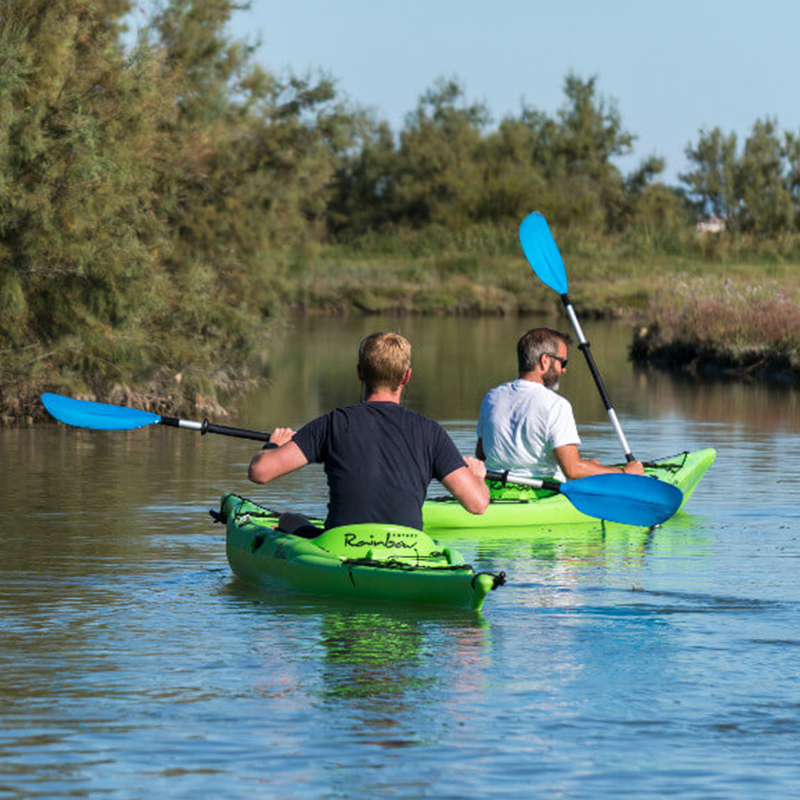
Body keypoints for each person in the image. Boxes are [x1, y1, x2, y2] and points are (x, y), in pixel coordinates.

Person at [249, 331, 489, 531]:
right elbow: (478, 504)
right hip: (408, 550)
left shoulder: (332, 424)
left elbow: (260, 472)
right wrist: (477, 477)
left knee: (289, 522)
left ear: (359, 373)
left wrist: (274, 445)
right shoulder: (432, 432)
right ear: (406, 377)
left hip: (341, 547)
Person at [476, 327, 644, 482]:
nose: (564, 370)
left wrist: (594, 468)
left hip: (493, 491)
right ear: (545, 361)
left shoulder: (492, 397)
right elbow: (572, 470)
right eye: (563, 362)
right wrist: (624, 472)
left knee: (592, 465)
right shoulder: (556, 405)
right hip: (540, 494)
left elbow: (481, 454)